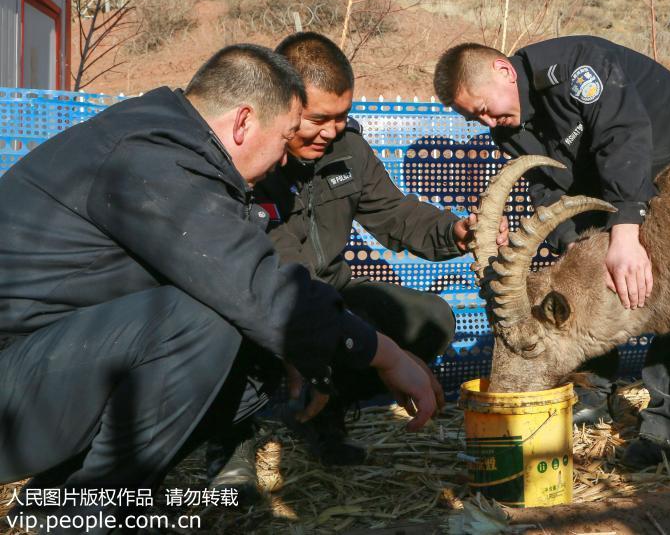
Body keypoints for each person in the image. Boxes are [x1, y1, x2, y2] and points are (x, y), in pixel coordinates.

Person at [0, 44, 437, 531]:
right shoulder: (149, 160)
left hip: (41, 365)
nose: (280, 160)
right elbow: (254, 286)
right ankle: (90, 513)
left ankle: (63, 502)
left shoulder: (167, 143)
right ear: (244, 122)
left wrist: (302, 349)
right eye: (286, 135)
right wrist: (387, 355)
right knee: (203, 320)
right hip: (13, 388)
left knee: (252, 351)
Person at [433, 35, 670, 468]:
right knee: (587, 279)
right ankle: (593, 391)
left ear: (503, 71)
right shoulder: (510, 126)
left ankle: (663, 425)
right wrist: (576, 248)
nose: (487, 123)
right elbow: (546, 186)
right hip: (606, 182)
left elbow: (621, 137)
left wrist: (626, 233)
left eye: (481, 109)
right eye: (475, 119)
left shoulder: (575, 68)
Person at [251, 32, 506, 468]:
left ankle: (324, 420)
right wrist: (378, 349)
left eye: (341, 116)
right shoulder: (254, 159)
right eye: (317, 118)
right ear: (284, 105)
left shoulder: (347, 149)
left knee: (431, 320)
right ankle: (238, 440)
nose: (331, 132)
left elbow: (394, 213)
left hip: (331, 291)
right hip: (268, 303)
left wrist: (456, 232)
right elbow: (281, 264)